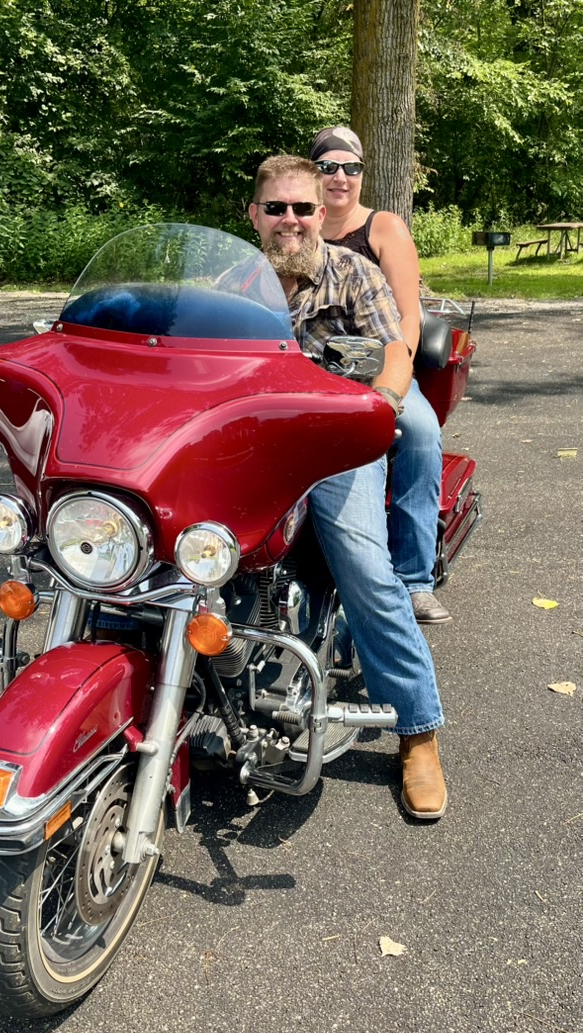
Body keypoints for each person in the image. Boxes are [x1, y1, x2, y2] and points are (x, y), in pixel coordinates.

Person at [247, 154, 447, 820]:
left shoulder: (353, 273)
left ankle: (417, 731)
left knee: (363, 560)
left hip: (334, 440)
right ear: (255, 215)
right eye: (276, 208)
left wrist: (383, 403)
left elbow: (394, 351)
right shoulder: (231, 282)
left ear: (321, 215)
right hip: (248, 444)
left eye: (303, 208)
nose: (291, 221)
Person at [309, 125, 451, 626]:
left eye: (352, 168)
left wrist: (394, 376)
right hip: (307, 372)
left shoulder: (383, 227)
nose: (341, 177)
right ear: (313, 174)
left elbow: (408, 316)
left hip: (379, 366)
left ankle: (413, 579)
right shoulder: (297, 224)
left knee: (418, 432)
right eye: (328, 167)